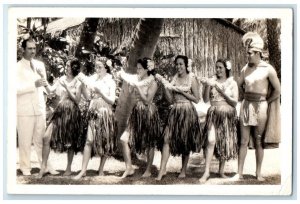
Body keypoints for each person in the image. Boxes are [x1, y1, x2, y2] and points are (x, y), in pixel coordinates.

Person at [234, 32, 281, 181]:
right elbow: (239, 84)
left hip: (261, 107)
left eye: (249, 53)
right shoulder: (245, 68)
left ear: (257, 53)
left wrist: (266, 101)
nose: (247, 56)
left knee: (259, 139)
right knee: (243, 140)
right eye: (247, 53)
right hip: (246, 105)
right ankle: (239, 173)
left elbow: (278, 90)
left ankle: (258, 173)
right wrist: (243, 95)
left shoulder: (268, 69)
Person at [156, 55, 202, 180]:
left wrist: (181, 91)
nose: (178, 66)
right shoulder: (174, 78)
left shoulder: (191, 78)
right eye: (177, 64)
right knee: (166, 139)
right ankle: (162, 170)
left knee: (185, 140)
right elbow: (170, 100)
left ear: (186, 65)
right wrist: (166, 88)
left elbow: (197, 99)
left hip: (187, 110)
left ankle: (183, 170)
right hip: (175, 110)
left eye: (181, 64)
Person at [17, 38, 58, 176]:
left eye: (34, 48)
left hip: (39, 108)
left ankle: (45, 166)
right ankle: (25, 167)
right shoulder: (17, 67)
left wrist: (50, 89)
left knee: (42, 139)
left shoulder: (40, 65)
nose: (33, 51)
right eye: (29, 48)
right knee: (25, 140)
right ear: (23, 49)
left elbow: (45, 86)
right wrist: (32, 86)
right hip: (24, 109)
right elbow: (14, 89)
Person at [38, 58, 84, 178]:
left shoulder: (78, 82)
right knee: (46, 137)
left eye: (68, 66)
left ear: (74, 68)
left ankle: (68, 168)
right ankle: (43, 167)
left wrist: (67, 87)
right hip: (60, 111)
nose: (66, 67)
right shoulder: (61, 79)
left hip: (72, 112)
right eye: (66, 65)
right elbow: (50, 91)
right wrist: (44, 81)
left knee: (71, 141)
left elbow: (78, 100)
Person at [73, 60, 117, 179]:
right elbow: (88, 97)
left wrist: (101, 92)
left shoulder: (110, 82)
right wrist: (83, 86)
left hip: (104, 111)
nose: (97, 68)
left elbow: (112, 100)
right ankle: (83, 170)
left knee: (104, 140)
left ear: (106, 68)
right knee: (89, 140)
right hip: (93, 110)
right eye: (96, 66)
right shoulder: (93, 79)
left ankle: (101, 169)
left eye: (100, 66)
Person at [119, 58, 160, 178]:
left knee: (149, 142)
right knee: (124, 139)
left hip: (148, 112)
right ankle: (129, 168)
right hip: (137, 111)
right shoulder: (138, 80)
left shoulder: (153, 83)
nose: (138, 71)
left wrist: (137, 87)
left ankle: (148, 170)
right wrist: (132, 87)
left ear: (147, 69)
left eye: (140, 68)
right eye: (137, 68)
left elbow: (147, 101)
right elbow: (134, 96)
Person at [199, 59, 239, 183]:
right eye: (216, 67)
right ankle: (206, 171)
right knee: (211, 140)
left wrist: (221, 91)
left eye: (220, 67)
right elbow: (205, 100)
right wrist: (207, 86)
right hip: (213, 113)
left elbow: (234, 102)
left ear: (226, 69)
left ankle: (221, 171)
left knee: (223, 142)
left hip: (226, 113)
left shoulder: (232, 83)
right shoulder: (212, 81)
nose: (218, 70)